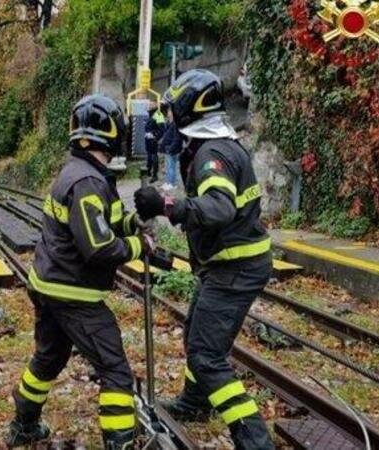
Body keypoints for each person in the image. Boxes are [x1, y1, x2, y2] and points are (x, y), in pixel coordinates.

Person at [133, 69, 275, 450]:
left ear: (186, 112)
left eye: (170, 113)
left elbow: (217, 208)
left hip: (235, 269)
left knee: (207, 355)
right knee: (196, 330)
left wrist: (165, 205)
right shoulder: (216, 145)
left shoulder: (212, 154)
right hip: (227, 265)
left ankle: (254, 440)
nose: (167, 122)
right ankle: (195, 403)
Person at [6, 94, 145, 449]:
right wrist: (139, 248)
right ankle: (120, 442)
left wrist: (132, 223)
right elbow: (98, 247)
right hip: (74, 294)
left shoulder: (79, 172)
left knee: (48, 359)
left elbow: (99, 224)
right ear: (114, 133)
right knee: (116, 371)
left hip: (50, 284)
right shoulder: (88, 183)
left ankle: (23, 425)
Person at [159, 107, 183, 191]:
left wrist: (170, 148)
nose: (168, 113)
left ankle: (172, 183)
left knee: (171, 167)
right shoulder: (169, 123)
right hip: (167, 148)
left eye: (169, 112)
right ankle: (168, 182)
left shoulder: (175, 124)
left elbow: (177, 138)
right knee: (168, 166)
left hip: (172, 149)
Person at [144, 103, 167, 182]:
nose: (149, 106)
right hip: (148, 139)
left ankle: (155, 175)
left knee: (154, 157)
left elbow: (162, 129)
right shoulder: (151, 114)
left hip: (153, 139)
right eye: (149, 104)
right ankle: (148, 172)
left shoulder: (158, 114)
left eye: (151, 104)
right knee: (149, 156)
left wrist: (155, 137)